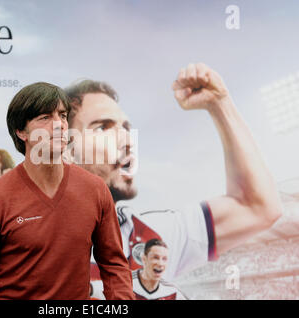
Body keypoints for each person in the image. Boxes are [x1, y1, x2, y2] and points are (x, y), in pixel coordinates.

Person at [64, 63, 283, 298]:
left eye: (126, 128)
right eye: (103, 128)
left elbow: (257, 207)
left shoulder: (154, 236)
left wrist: (219, 104)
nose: (127, 139)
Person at [0, 82, 134, 300]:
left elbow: (114, 266)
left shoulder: (96, 190)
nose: (59, 124)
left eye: (63, 115)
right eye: (45, 118)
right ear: (21, 131)